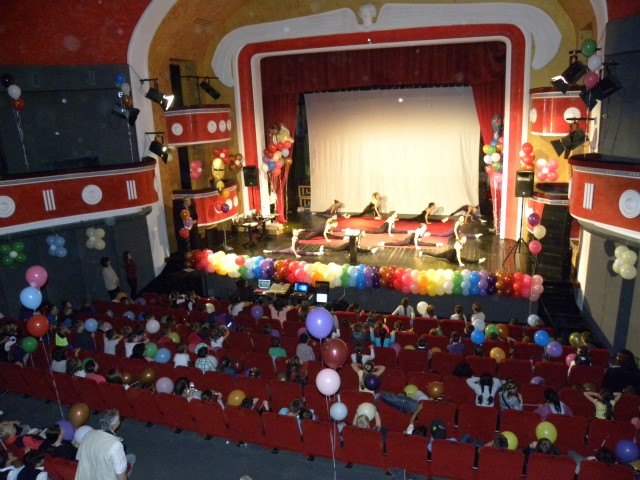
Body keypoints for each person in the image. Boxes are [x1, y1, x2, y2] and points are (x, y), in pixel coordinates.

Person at [75, 409, 131, 480]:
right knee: (132, 458)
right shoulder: (116, 445)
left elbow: (78, 458)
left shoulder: (88, 434)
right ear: (117, 424)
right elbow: (121, 476)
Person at [419, 234, 486, 266]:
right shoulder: (458, 245)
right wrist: (460, 263)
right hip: (450, 257)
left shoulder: (460, 242)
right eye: (464, 239)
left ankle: (422, 252)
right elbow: (458, 255)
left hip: (448, 252)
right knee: (464, 259)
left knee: (436, 255)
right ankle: (478, 261)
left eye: (465, 239)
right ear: (460, 239)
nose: (465, 240)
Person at [379, 223, 444, 249]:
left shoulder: (422, 230)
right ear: (421, 227)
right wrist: (417, 246)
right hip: (408, 240)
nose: (426, 227)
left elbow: (419, 238)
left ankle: (436, 244)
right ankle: (383, 243)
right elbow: (415, 239)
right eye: (425, 227)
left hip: (413, 241)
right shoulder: (418, 230)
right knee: (397, 244)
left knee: (424, 243)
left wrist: (419, 240)